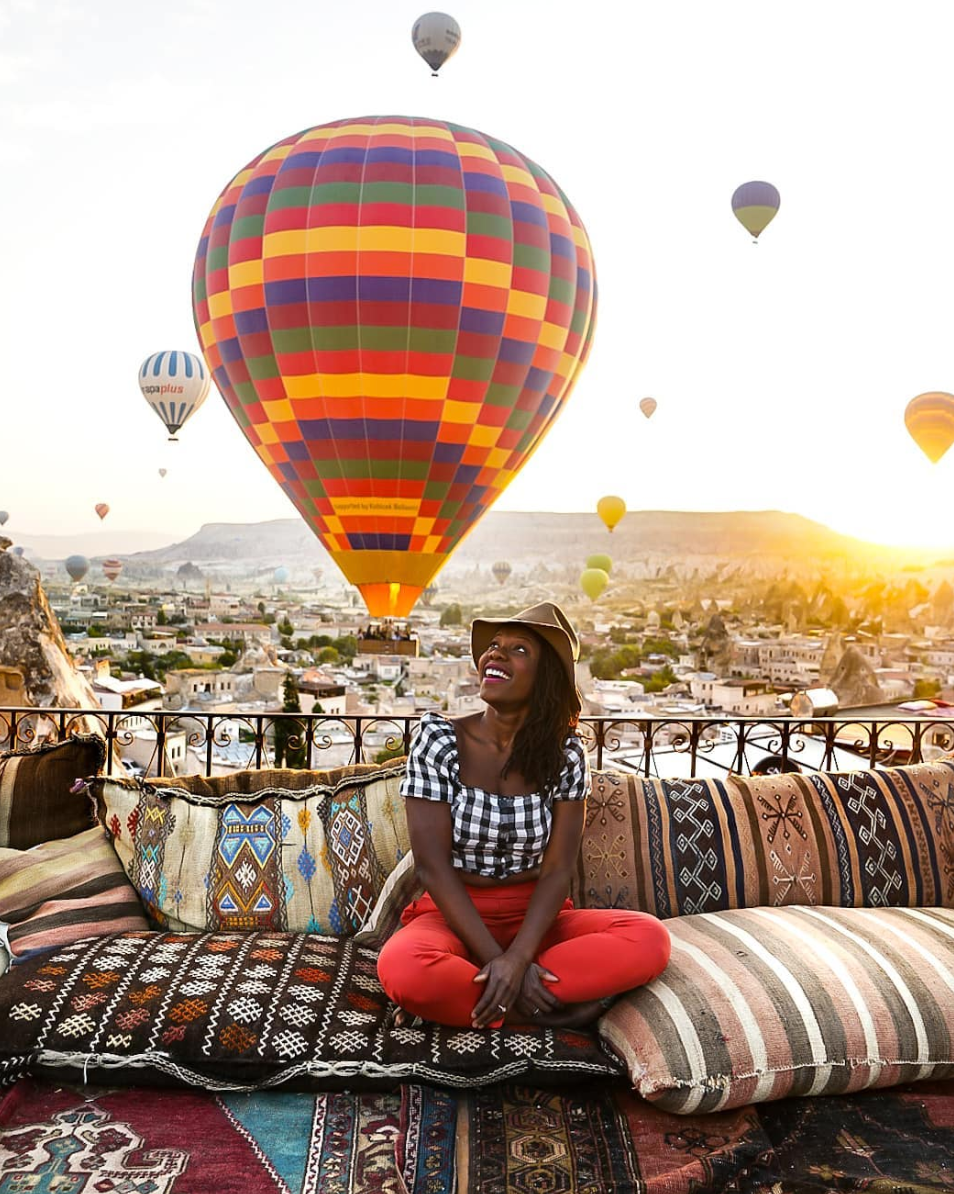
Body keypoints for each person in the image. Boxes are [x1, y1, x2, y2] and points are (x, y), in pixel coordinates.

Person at [376, 602, 671, 1030]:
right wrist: (501, 960)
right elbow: (432, 866)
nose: (494, 654)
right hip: (452, 917)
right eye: (493, 646)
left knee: (649, 939)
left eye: (518, 650)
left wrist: (519, 956)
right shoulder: (439, 738)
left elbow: (557, 870)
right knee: (406, 968)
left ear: (545, 676)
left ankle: (468, 1004)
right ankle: (549, 1014)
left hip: (538, 921)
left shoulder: (566, 754)